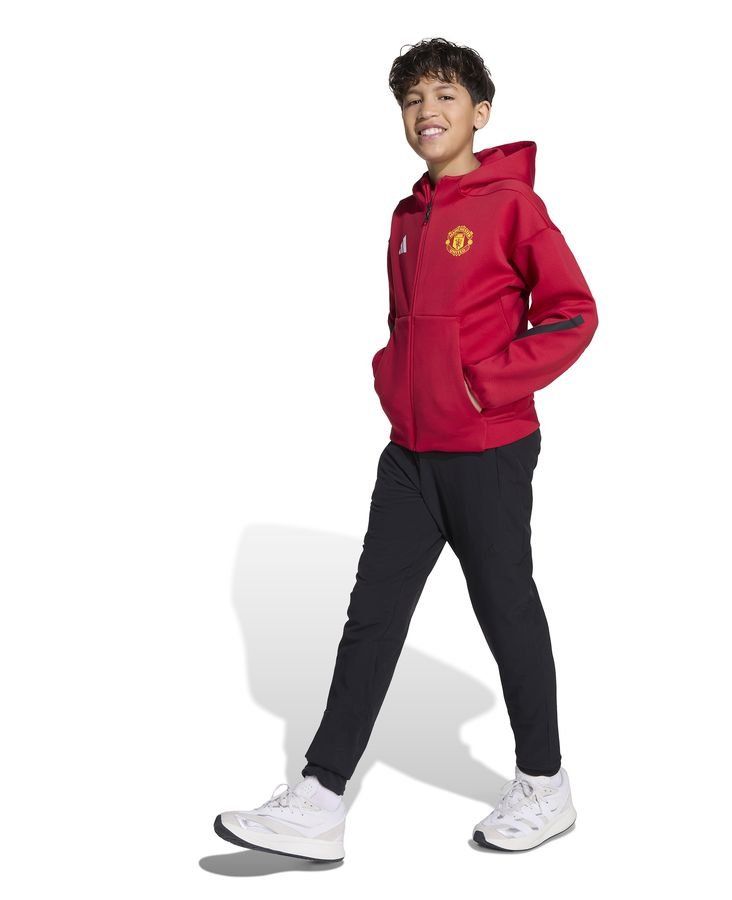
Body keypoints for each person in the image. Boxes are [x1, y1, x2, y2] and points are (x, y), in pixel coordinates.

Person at [214, 37, 598, 861]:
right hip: (410, 454)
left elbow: (573, 313)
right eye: (413, 99)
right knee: (372, 619)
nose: (427, 110)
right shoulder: (406, 216)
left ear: (480, 113)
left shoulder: (514, 207)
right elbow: (407, 327)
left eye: (446, 95)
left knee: (506, 612)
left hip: (488, 449)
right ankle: (319, 800)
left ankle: (545, 784)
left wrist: (484, 386)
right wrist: (393, 379)